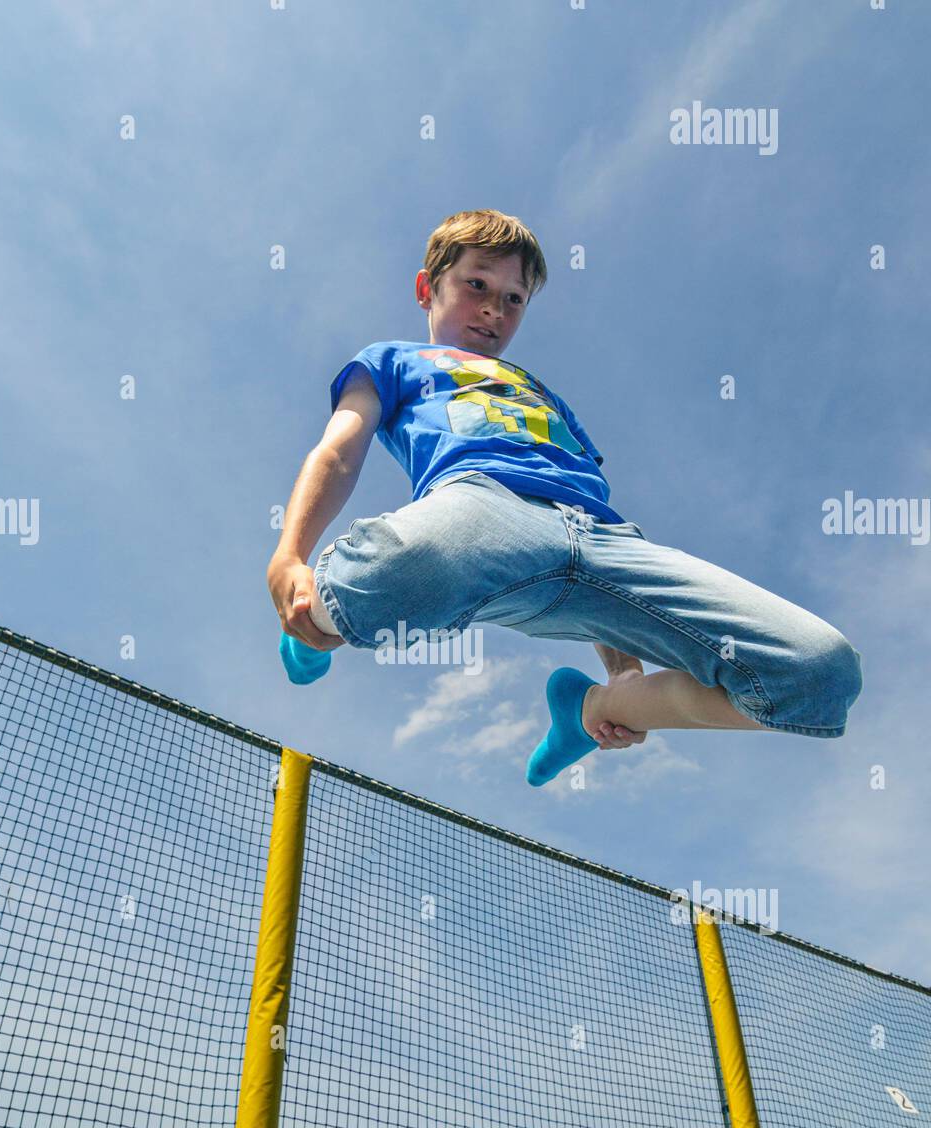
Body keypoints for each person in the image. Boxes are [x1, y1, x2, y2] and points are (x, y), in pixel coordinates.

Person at [266, 209, 862, 786]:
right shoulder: (393, 360)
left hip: (602, 539)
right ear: (427, 287)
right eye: (477, 284)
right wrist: (291, 554)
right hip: (483, 511)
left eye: (514, 299)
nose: (494, 309)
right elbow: (339, 451)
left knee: (821, 672)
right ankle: (312, 618)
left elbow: (594, 524)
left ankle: (595, 709)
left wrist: (625, 673)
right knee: (399, 569)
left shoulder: (542, 393)